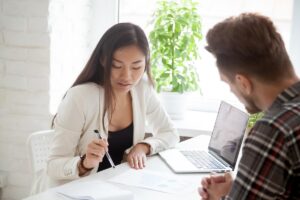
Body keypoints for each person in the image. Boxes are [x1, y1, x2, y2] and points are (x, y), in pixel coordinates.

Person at [31, 22, 179, 194]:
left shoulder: (142, 89)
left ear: (146, 63)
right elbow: (53, 165)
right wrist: (84, 164)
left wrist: (143, 146)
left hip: (116, 190)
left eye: (137, 66)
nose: (127, 76)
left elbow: (170, 133)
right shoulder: (80, 97)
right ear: (103, 60)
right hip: (72, 192)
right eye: (117, 66)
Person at [199, 13, 300, 199]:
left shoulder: (272, 130)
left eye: (228, 83)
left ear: (244, 83)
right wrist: (241, 188)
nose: (231, 91)